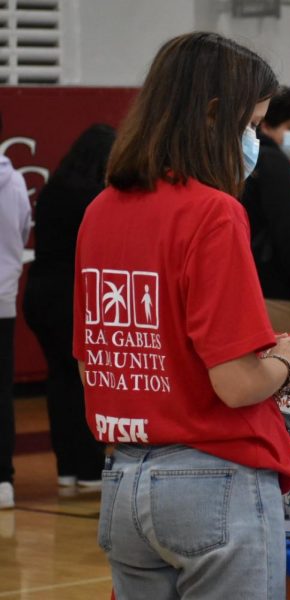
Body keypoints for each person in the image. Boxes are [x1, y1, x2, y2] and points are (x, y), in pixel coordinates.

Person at [72, 32, 290, 598]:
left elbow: (93, 367)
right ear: (214, 115)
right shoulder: (212, 212)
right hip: (213, 479)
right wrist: (286, 362)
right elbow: (235, 385)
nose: (255, 140)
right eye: (252, 124)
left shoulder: (101, 210)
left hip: (124, 479)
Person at [23, 124, 114, 489]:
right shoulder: (93, 197)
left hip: (39, 293)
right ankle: (91, 469)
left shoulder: (52, 190)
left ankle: (67, 468)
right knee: (83, 382)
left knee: (60, 381)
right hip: (69, 297)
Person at [241, 86, 290, 334]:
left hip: (250, 282)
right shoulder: (273, 161)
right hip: (279, 289)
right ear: (265, 124)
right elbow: (289, 230)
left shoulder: (243, 160)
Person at [0, 113, 31, 510]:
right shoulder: (15, 179)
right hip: (3, 296)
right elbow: (24, 230)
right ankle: (3, 479)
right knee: (2, 390)